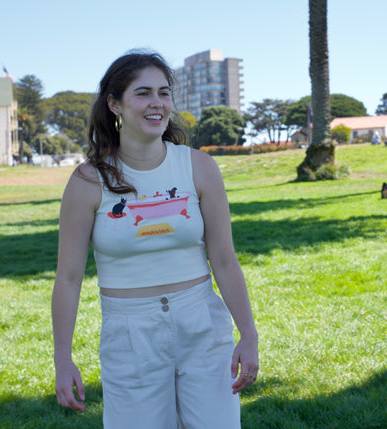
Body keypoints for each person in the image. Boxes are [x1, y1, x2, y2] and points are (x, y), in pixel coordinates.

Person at [52, 50, 259, 428]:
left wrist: (248, 334)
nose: (157, 104)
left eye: (164, 93)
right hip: (131, 335)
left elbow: (225, 260)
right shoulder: (87, 181)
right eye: (143, 92)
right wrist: (62, 359)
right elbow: (68, 277)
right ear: (115, 104)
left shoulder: (199, 167)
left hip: (202, 326)